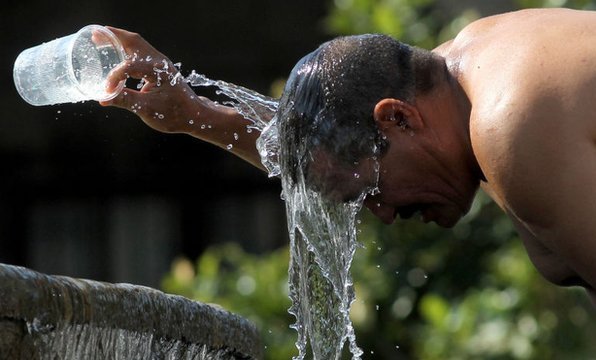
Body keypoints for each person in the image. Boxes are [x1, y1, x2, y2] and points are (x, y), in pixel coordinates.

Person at [101, 7, 596, 301]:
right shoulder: (456, 77)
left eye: (372, 191)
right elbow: (328, 151)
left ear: (398, 118)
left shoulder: (510, 129)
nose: (380, 213)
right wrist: (192, 113)